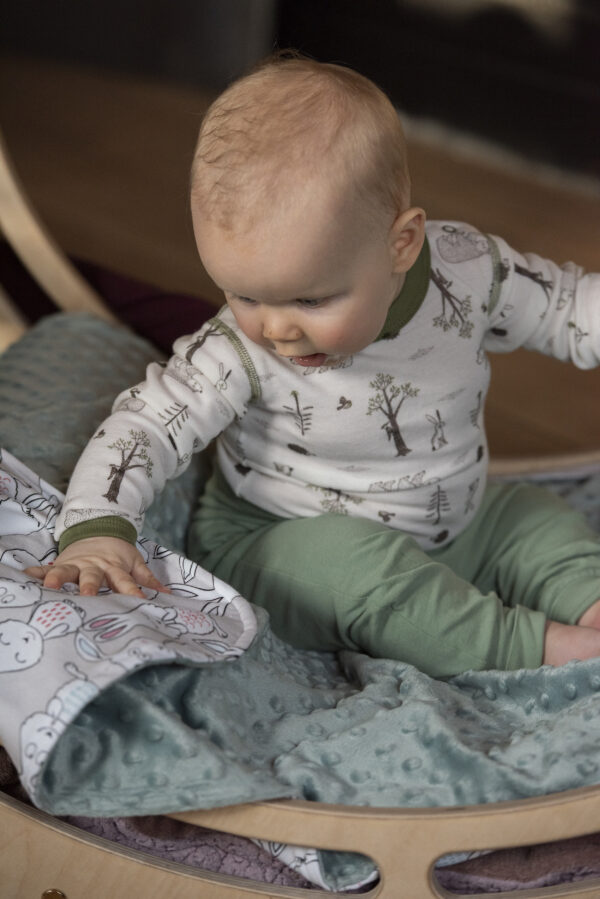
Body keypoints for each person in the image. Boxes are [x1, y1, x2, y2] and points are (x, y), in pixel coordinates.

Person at [26, 55, 600, 678]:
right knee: (363, 574)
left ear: (401, 243)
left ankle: (590, 602)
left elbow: (568, 307)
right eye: (243, 295)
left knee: (538, 521)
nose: (276, 328)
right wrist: (98, 528)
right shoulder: (236, 350)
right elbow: (145, 427)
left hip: (457, 520)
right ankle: (537, 650)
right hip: (282, 542)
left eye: (310, 299)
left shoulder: (469, 270)